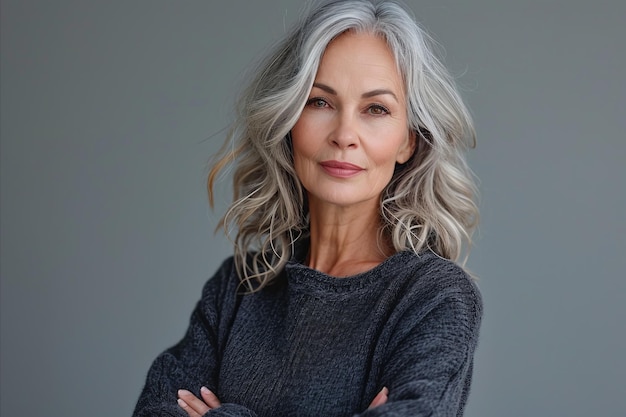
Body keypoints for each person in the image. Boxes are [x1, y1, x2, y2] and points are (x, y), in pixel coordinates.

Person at [133, 0, 481, 416]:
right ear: (288, 119)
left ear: (409, 141)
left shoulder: (433, 298)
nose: (344, 134)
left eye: (376, 109)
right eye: (320, 102)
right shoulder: (239, 287)